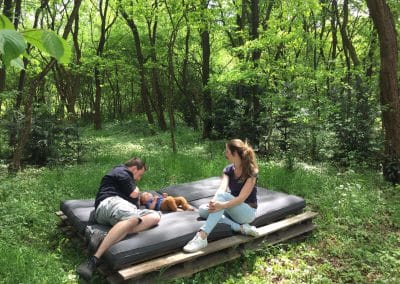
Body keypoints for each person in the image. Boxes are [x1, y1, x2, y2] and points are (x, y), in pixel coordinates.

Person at [76, 157, 161, 280]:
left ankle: (106, 234)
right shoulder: (121, 171)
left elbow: (135, 200)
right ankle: (94, 259)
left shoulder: (123, 178)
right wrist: (137, 190)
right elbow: (134, 193)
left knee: (155, 216)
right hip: (110, 203)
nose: (138, 179)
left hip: (122, 209)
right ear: (133, 168)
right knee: (133, 218)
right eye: (139, 174)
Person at [183, 139, 260, 253]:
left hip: (247, 212)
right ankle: (240, 228)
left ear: (235, 153)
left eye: (228, 151)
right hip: (232, 209)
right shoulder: (228, 170)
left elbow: (241, 199)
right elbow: (221, 189)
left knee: (221, 199)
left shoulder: (251, 171)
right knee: (203, 210)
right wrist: (214, 203)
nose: (226, 154)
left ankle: (202, 236)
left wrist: (221, 205)